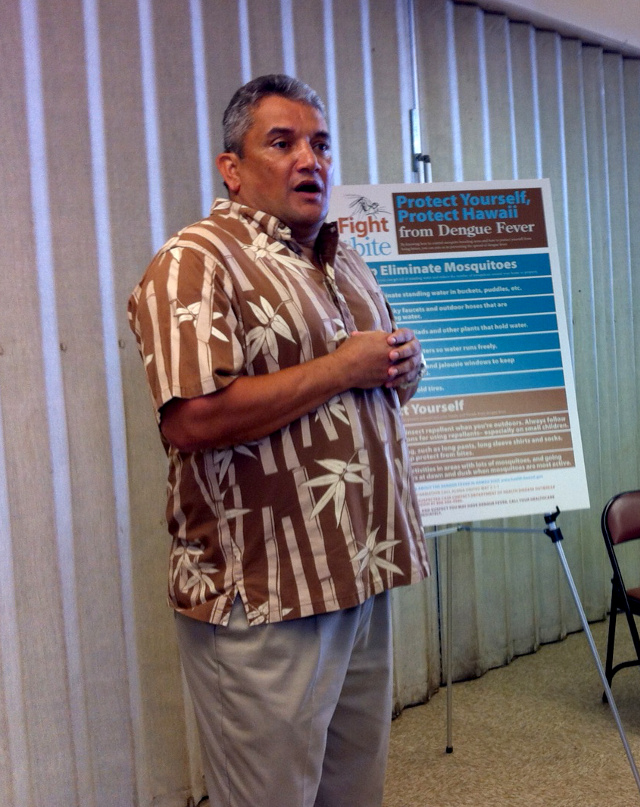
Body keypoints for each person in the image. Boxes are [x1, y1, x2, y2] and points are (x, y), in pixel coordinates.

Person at [127, 75, 429, 807]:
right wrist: (340, 368)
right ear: (232, 167)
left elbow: (366, 383)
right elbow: (191, 418)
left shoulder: (341, 259)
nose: (310, 161)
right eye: (283, 142)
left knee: (351, 791)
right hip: (263, 599)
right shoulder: (195, 260)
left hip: (359, 575)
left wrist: (401, 368)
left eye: (321, 145)